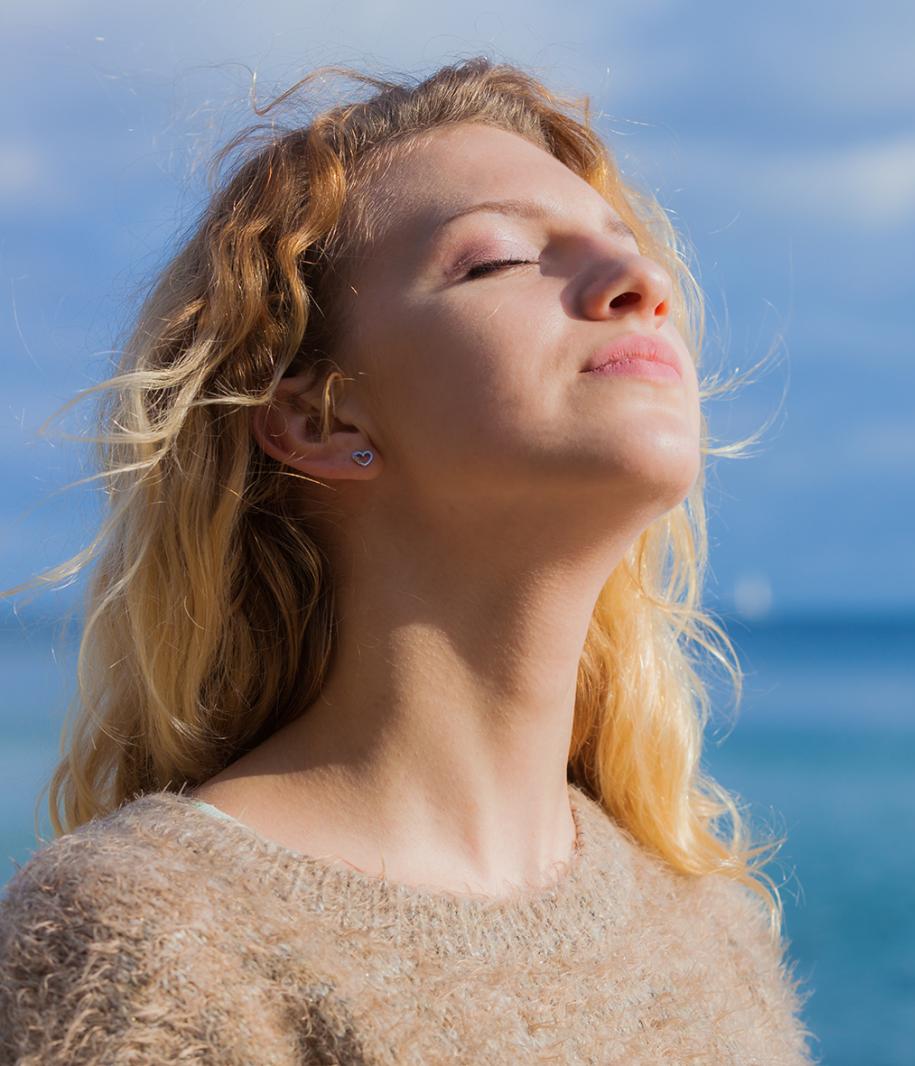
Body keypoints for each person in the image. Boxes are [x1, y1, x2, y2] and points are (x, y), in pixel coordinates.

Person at [0, 56, 814, 1064]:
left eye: (626, 249)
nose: (640, 284)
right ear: (322, 414)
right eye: (500, 259)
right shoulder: (159, 934)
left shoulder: (710, 934)